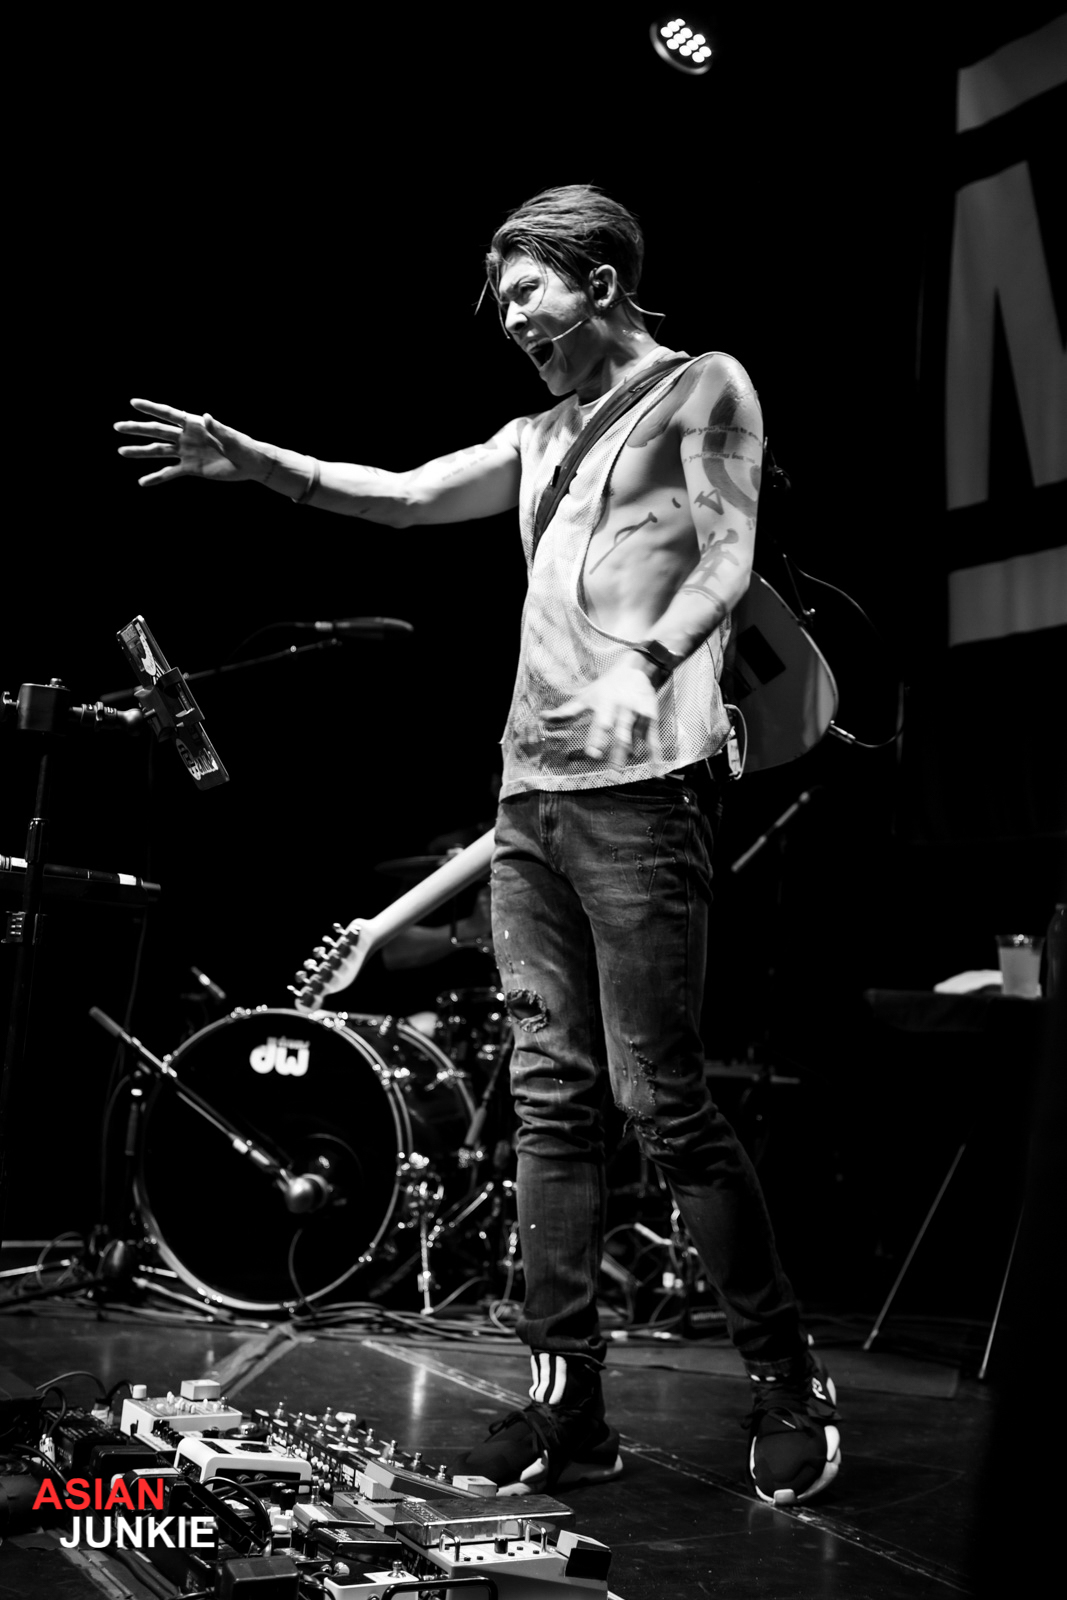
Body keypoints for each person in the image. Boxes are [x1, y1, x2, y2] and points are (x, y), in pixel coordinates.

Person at [114, 183, 841, 1508]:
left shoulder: (705, 386)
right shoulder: (534, 435)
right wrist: (253, 460)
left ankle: (789, 1380)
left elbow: (726, 557)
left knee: (660, 1101)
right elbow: (398, 496)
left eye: (528, 291)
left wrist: (648, 663)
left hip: (646, 791)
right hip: (529, 802)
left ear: (600, 282)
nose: (509, 318)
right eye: (499, 300)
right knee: (551, 1104)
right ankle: (567, 1404)